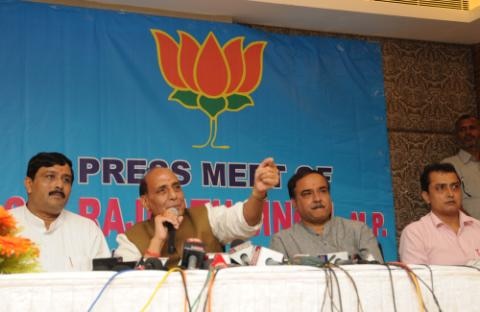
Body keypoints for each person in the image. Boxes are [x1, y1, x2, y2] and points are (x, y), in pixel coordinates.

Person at [115, 157, 280, 267]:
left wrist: (258, 195)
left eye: (177, 187)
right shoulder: (130, 239)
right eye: (162, 191)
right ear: (145, 202)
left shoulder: (207, 216)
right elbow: (130, 288)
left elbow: (243, 221)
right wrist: (157, 240)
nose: (174, 196)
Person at [9, 152, 110, 271]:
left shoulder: (88, 230)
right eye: (50, 176)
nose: (59, 185)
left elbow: (105, 282)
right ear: (29, 184)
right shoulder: (5, 226)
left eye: (66, 180)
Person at [269, 167, 383, 263]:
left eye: (323, 191)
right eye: (307, 194)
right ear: (294, 203)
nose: (317, 199)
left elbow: (379, 276)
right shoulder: (282, 241)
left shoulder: (359, 231)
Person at [399, 162, 480, 265]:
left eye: (455, 187)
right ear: (426, 196)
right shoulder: (415, 234)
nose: (450, 194)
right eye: (441, 188)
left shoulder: (477, 228)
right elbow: (418, 279)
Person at [442, 114, 480, 219]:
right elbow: (449, 203)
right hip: (469, 231)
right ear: (457, 135)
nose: (468, 133)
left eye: (472, 128)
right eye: (462, 130)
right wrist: (474, 228)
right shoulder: (448, 165)